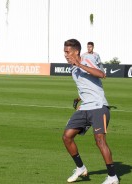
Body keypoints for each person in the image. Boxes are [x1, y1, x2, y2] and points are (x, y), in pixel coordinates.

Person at [62, 39, 119, 184]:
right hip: (85, 107)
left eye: (68, 52)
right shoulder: (73, 69)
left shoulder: (87, 60)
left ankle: (113, 177)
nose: (65, 54)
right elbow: (86, 86)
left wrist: (80, 64)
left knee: (100, 140)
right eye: (64, 52)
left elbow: (101, 74)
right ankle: (80, 168)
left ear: (76, 52)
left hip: (99, 107)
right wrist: (79, 98)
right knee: (67, 137)